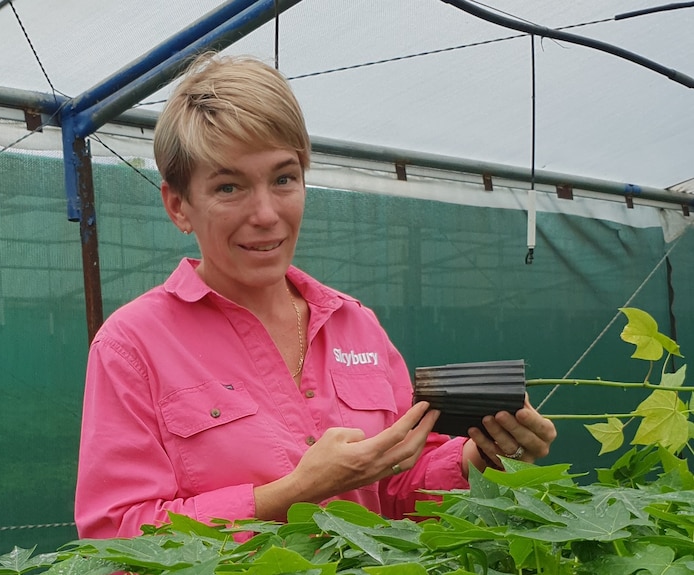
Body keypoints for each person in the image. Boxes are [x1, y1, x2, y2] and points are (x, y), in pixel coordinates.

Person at [74, 52, 557, 539]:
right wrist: (291, 493)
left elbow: (397, 489)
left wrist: (486, 455)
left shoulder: (355, 324)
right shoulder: (133, 346)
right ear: (179, 206)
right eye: (229, 187)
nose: (265, 214)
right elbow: (116, 536)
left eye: (283, 179)